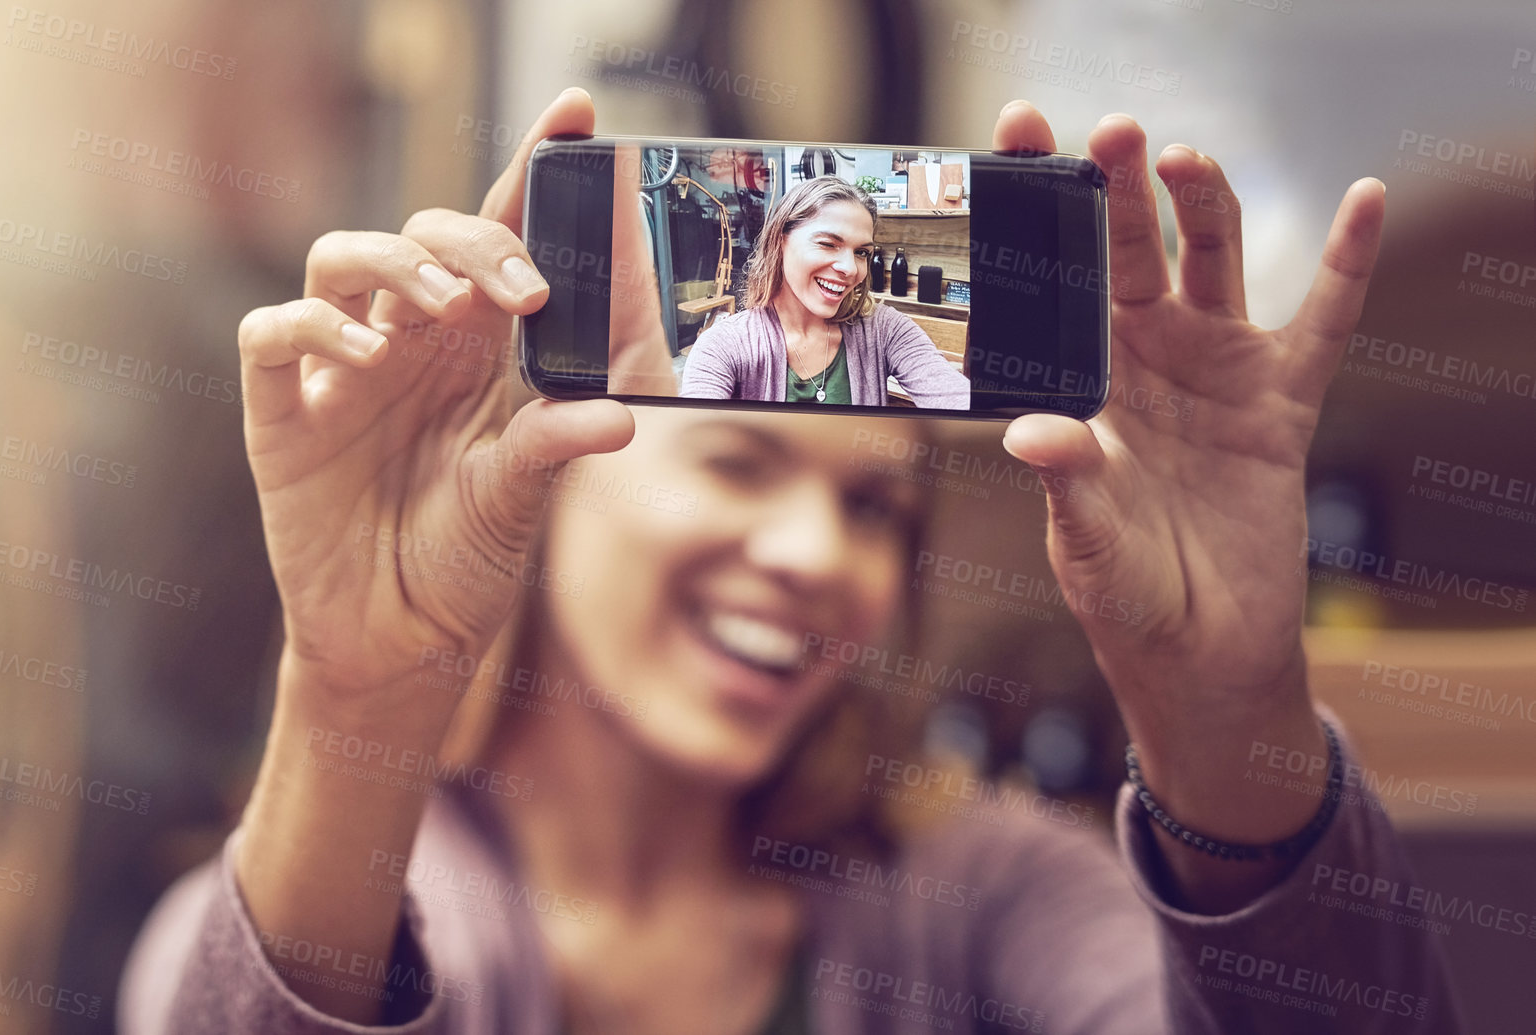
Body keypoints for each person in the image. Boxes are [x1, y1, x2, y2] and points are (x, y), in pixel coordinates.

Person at [117, 89, 1464, 1034]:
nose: (820, 555)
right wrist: (356, 690)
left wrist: (1227, 710)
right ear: (549, 469)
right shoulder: (352, 900)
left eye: (875, 512)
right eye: (739, 462)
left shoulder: (977, 894)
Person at [679, 175, 971, 409]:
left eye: (862, 252)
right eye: (828, 244)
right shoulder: (725, 346)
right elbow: (695, 446)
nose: (850, 268)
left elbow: (954, 396)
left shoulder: (883, 329)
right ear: (780, 241)